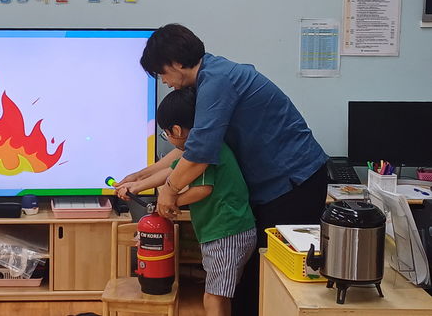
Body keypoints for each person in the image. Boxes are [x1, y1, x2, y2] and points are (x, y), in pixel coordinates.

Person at [117, 23, 328, 316]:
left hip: (294, 182)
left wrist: (169, 191)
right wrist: (141, 176)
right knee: (249, 283)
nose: (163, 81)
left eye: (161, 72)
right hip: (272, 187)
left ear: (176, 62)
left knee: (273, 281)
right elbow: (190, 147)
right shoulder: (209, 78)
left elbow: (198, 154)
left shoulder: (217, 82)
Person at [116, 87, 256, 316]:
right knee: (219, 295)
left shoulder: (203, 151)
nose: (168, 139)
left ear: (177, 130)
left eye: (166, 134)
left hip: (227, 232)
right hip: (226, 230)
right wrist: (135, 185)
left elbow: (202, 189)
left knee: (213, 296)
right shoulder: (201, 146)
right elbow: (171, 172)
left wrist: (171, 202)